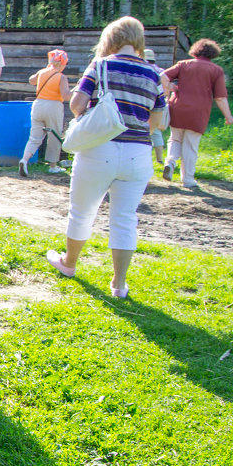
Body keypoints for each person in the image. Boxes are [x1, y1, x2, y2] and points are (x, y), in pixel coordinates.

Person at [45, 16, 166, 300]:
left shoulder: (100, 65)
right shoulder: (153, 74)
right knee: (125, 218)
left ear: (110, 39)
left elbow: (76, 105)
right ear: (137, 40)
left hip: (99, 149)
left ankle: (69, 264)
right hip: (138, 154)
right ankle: (119, 284)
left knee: (82, 211)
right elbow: (158, 122)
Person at [160, 38, 233, 189]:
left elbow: (163, 77)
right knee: (190, 145)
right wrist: (228, 116)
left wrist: (171, 88)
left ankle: (170, 162)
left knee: (175, 139)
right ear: (213, 53)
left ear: (196, 50)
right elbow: (220, 97)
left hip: (178, 108)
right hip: (199, 112)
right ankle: (188, 179)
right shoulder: (216, 70)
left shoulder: (183, 64)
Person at [19, 49, 72, 176]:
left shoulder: (42, 72)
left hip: (38, 105)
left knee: (34, 137)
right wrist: (76, 90)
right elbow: (66, 96)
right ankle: (52, 166)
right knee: (54, 135)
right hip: (53, 106)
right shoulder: (61, 77)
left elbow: (31, 80)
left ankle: (24, 160)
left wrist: (45, 70)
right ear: (63, 63)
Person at [143, 48, 168, 165]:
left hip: (144, 101)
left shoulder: (143, 69)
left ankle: (144, 157)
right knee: (156, 131)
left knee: (142, 129)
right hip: (159, 102)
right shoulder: (161, 71)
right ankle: (159, 159)